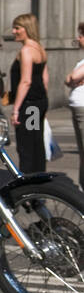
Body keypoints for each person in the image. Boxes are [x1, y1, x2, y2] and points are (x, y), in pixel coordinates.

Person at [9, 13, 49, 174]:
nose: (14, 31)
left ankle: (29, 185)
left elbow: (26, 81)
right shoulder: (40, 48)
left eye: (17, 28)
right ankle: (39, 181)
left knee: (27, 146)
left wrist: (16, 109)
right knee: (37, 143)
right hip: (39, 102)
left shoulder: (26, 51)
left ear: (27, 29)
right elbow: (45, 79)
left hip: (29, 105)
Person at [65, 23, 84, 189]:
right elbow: (69, 79)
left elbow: (73, 77)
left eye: (82, 35)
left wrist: (73, 78)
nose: (78, 38)